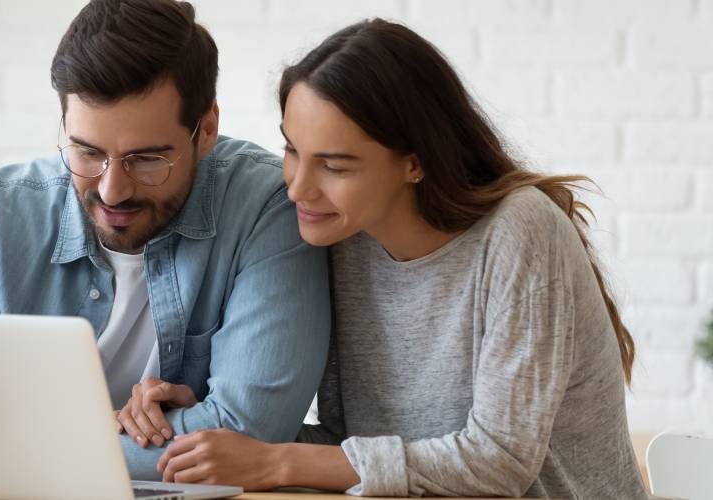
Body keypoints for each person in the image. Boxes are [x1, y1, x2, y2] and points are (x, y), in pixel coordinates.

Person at [148, 19, 648, 498]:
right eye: (293, 150)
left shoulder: (520, 231)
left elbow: (500, 460)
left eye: (335, 165)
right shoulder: (344, 240)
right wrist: (215, 433)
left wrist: (278, 462)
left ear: (414, 162)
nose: (296, 187)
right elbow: (361, 452)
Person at [0, 0, 331, 481]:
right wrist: (101, 434)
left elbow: (250, 433)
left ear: (205, 129)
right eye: (86, 152)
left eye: (146, 159)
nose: (112, 190)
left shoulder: (266, 208)